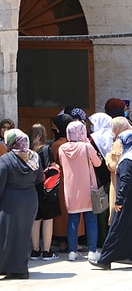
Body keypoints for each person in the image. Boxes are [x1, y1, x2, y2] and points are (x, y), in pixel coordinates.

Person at [89, 129, 132, 270]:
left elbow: (126, 180)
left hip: (129, 202)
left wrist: (119, 200)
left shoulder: (128, 160)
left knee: (117, 229)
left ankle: (105, 260)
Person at [0, 129, 43, 279]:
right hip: (30, 200)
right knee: (23, 235)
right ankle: (20, 269)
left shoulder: (6, 159)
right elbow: (40, 178)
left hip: (10, 202)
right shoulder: (34, 157)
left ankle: (5, 267)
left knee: (6, 235)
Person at [58, 121, 102, 262]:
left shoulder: (62, 148)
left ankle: (72, 251)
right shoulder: (86, 146)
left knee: (73, 220)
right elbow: (98, 163)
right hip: (88, 189)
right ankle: (92, 251)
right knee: (91, 220)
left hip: (70, 189)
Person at [51, 114, 85, 252]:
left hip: (61, 181)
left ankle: (62, 241)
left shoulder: (56, 145)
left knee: (62, 212)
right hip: (76, 180)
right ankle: (74, 241)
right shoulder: (80, 145)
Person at [29, 123, 61, 261]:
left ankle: (35, 251)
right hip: (46, 188)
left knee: (35, 219)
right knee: (48, 219)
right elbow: (51, 168)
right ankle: (47, 252)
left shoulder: (28, 151)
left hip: (31, 188)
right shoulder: (46, 149)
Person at [88, 112, 114, 247]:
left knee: (100, 210)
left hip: (96, 177)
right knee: (110, 208)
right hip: (111, 176)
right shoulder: (112, 136)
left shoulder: (92, 139)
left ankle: (100, 240)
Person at [105, 117, 132, 224]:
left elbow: (114, 166)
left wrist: (107, 157)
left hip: (118, 181)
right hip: (130, 179)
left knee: (117, 214)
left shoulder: (118, 142)